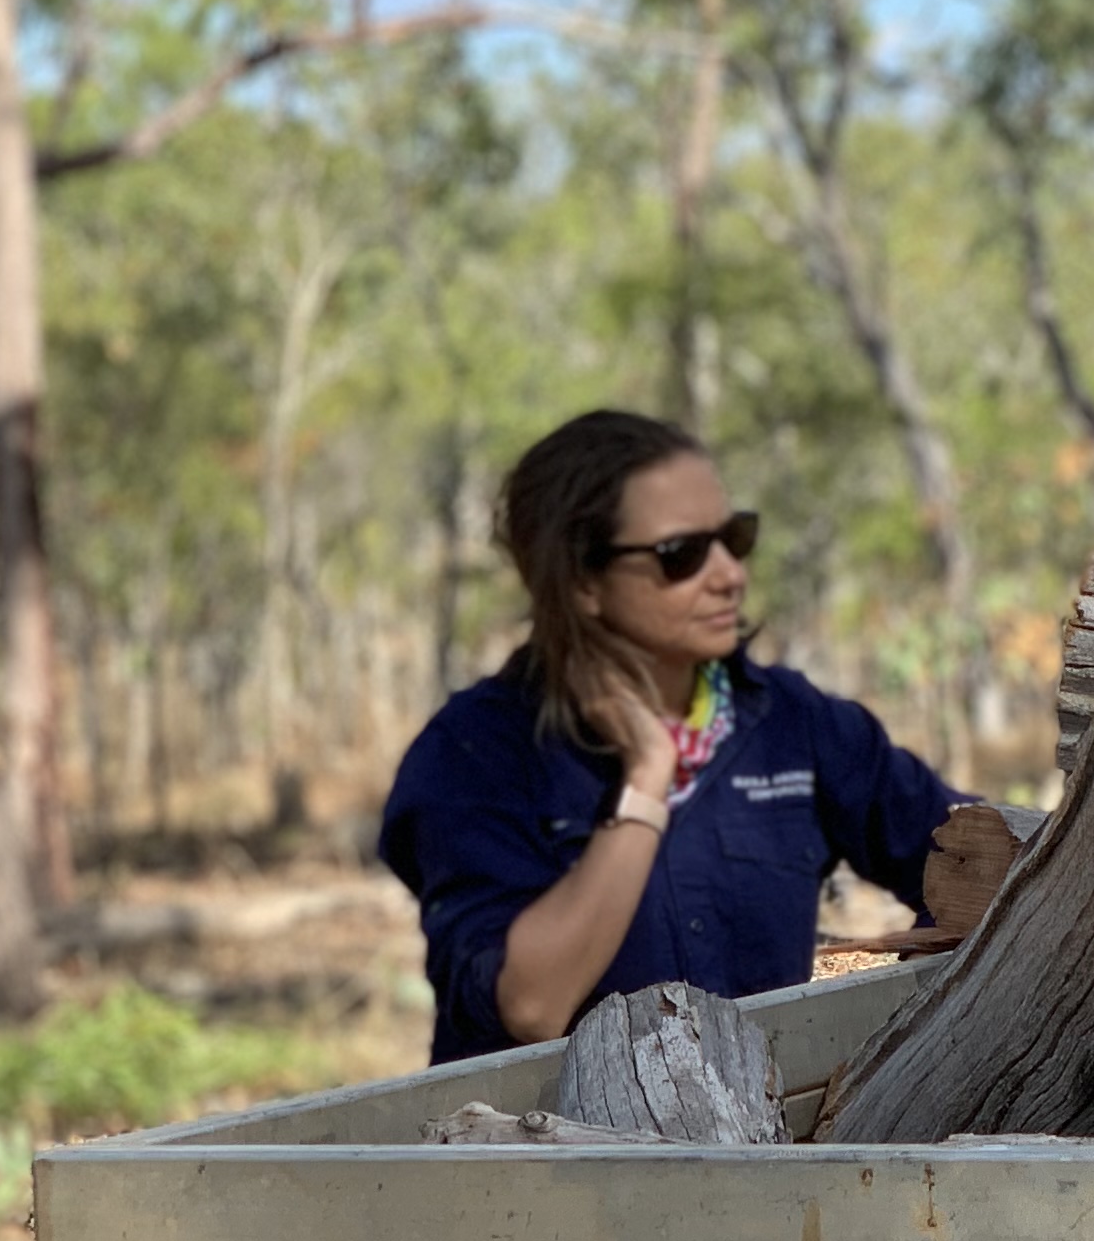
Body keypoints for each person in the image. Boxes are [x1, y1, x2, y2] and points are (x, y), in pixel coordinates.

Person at [382, 409, 965, 1063]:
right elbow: (531, 1005)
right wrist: (646, 780)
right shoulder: (474, 755)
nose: (729, 574)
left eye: (734, 538)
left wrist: (891, 1054)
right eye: (680, 554)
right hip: (547, 1158)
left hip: (764, 1152)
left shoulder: (792, 723)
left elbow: (987, 872)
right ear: (581, 582)